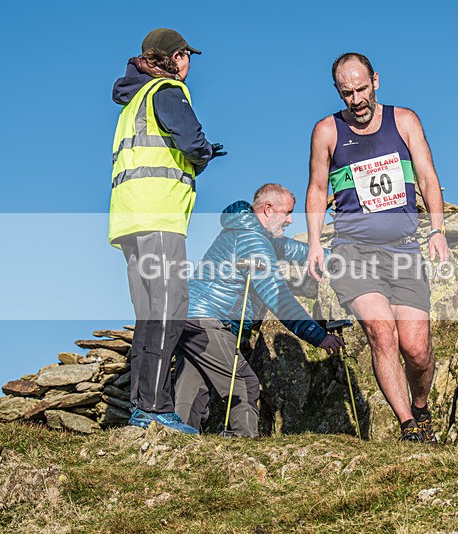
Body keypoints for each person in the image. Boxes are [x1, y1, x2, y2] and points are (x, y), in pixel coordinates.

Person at [305, 53, 449, 443]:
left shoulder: (404, 121)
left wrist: (437, 229)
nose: (356, 100)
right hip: (353, 251)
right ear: (338, 91)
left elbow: (427, 176)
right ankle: (408, 427)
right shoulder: (327, 131)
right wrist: (315, 242)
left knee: (416, 349)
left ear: (376, 81)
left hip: (403, 251)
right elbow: (317, 188)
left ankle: (421, 409)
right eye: (347, 93)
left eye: (361, 89)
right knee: (381, 333)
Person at [109, 28, 226, 433]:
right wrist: (205, 154)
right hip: (159, 215)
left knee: (148, 313)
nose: (189, 63)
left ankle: (142, 408)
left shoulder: (134, 99)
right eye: (187, 56)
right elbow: (191, 143)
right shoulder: (167, 90)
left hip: (128, 219)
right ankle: (155, 409)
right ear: (176, 58)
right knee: (171, 308)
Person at [173, 184, 344, 436]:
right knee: (244, 383)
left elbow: (295, 250)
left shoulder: (247, 232)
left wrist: (337, 259)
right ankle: (244, 444)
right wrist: (318, 336)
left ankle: (179, 441)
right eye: (288, 212)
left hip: (188, 318)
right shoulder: (253, 241)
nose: (290, 220)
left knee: (191, 389)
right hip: (209, 322)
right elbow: (278, 298)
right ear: (268, 209)